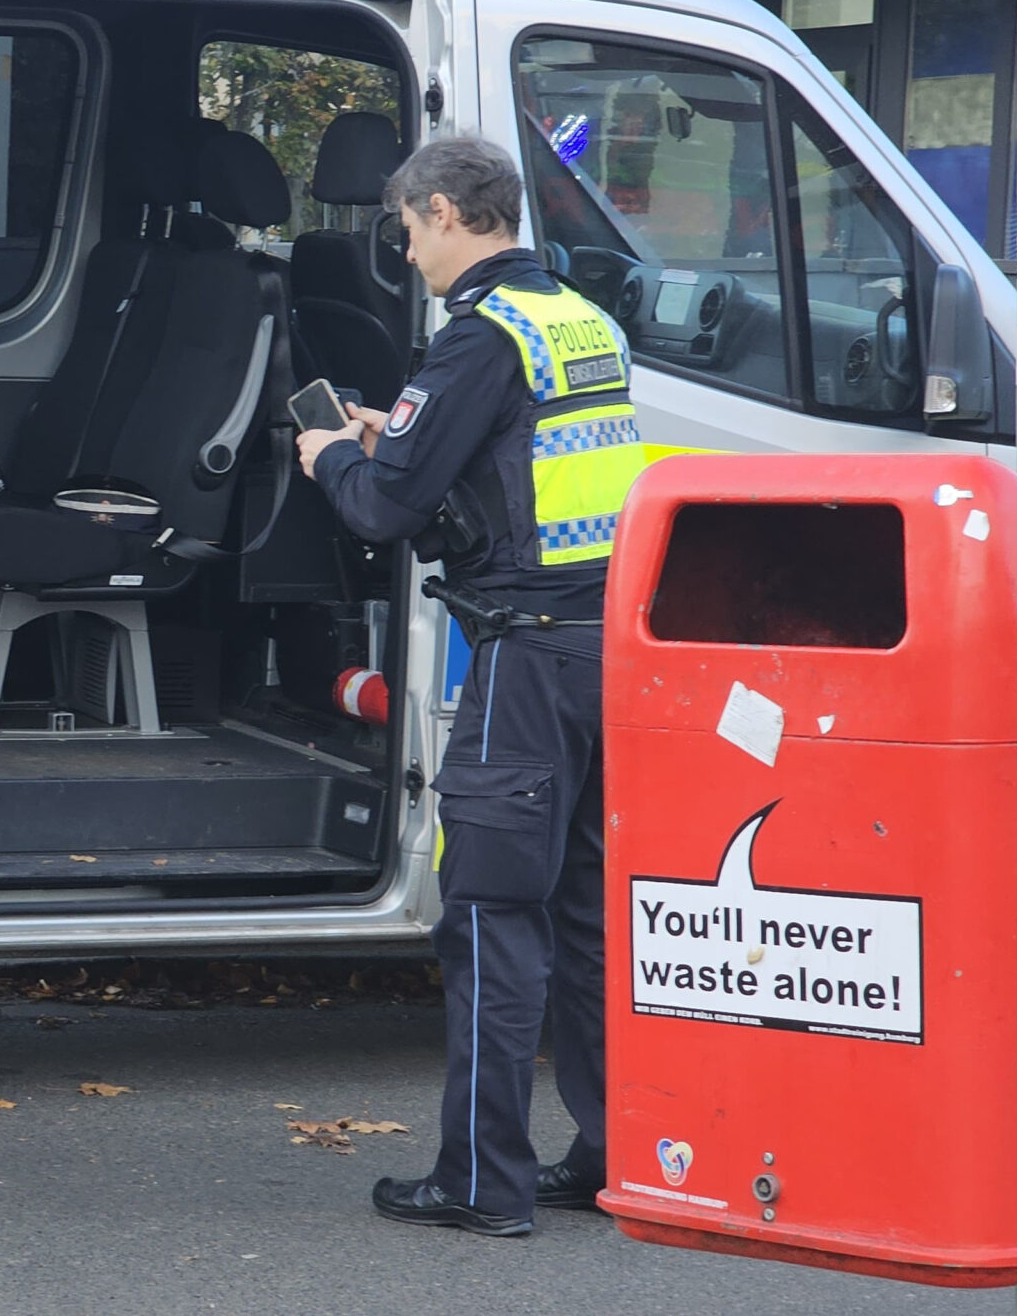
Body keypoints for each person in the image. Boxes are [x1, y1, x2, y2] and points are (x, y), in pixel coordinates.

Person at [295, 137, 648, 1238]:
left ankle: (480, 1180)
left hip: (527, 661)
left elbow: (382, 511)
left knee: (492, 918)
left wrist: (331, 456)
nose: (407, 253)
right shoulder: (578, 319)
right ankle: (606, 1153)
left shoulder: (475, 340)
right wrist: (390, 437)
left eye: (407, 232)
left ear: (446, 212)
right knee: (587, 916)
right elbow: (515, 466)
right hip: (604, 654)